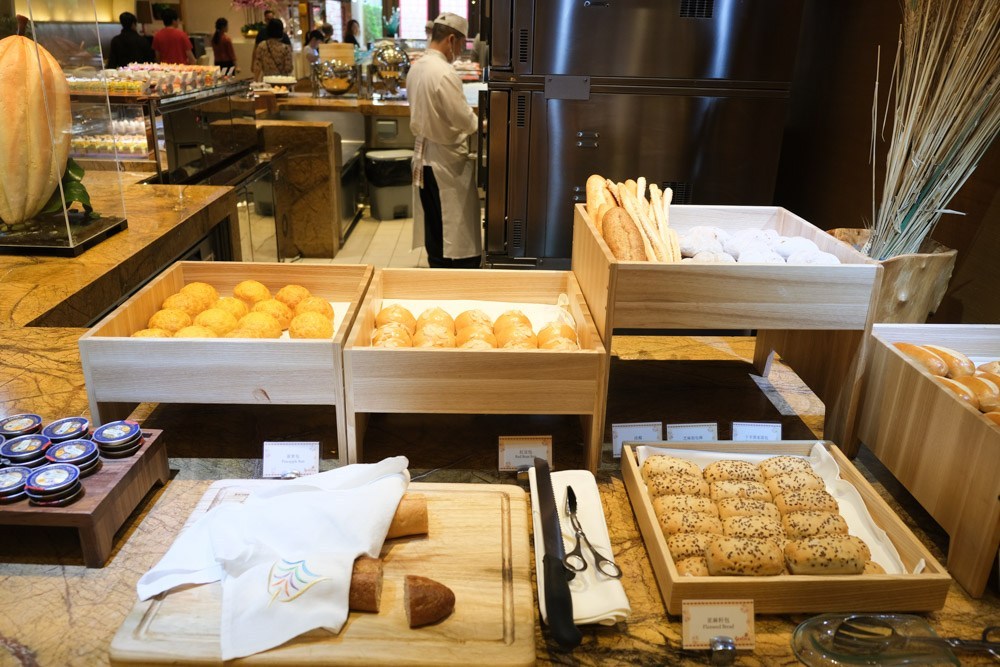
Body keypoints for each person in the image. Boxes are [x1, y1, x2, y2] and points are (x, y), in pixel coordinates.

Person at [408, 13, 481, 268]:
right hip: (444, 163)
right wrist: (478, 124)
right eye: (461, 44)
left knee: (434, 223)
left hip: (424, 158)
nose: (460, 52)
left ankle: (437, 267)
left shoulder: (417, 67)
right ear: (451, 39)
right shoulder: (443, 72)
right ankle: (452, 273)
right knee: (451, 225)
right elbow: (463, 119)